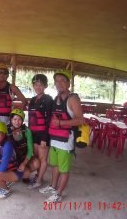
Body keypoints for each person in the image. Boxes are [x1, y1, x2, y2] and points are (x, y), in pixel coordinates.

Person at [39, 70, 84, 202]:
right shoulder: (56, 98)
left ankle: (58, 194)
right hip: (55, 139)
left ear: (69, 83)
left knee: (64, 169)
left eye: (63, 81)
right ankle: (53, 186)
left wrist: (60, 122)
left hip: (66, 140)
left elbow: (81, 120)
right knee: (55, 165)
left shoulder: (73, 99)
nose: (59, 83)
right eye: (57, 81)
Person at [27, 74, 53, 189]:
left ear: (45, 86)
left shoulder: (48, 99)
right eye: (36, 84)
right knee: (36, 157)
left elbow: (49, 120)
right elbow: (31, 119)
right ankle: (37, 176)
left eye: (41, 85)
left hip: (43, 134)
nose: (38, 87)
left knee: (43, 159)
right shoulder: (33, 100)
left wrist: (44, 138)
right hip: (33, 133)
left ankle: (39, 180)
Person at [7, 109, 40, 184]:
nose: (17, 122)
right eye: (15, 119)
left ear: (22, 121)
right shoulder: (6, 130)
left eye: (19, 120)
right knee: (20, 175)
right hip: (12, 159)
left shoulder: (27, 131)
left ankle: (23, 171)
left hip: (23, 157)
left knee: (36, 163)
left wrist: (24, 163)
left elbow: (30, 150)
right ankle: (16, 172)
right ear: (11, 119)